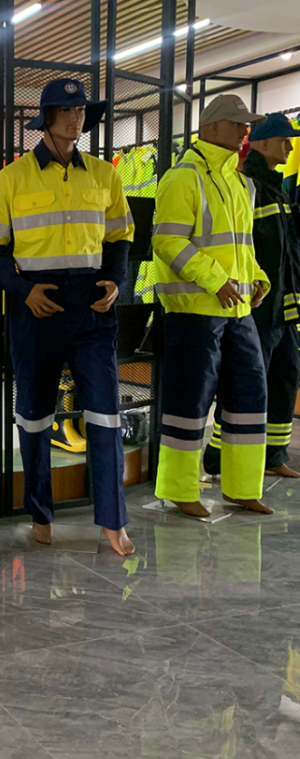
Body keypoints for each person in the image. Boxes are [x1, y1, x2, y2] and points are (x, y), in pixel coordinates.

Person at [0, 78, 136, 556]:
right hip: (37, 308)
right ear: (46, 118)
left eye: (81, 110)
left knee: (105, 413)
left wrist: (116, 280)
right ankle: (39, 512)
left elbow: (121, 237)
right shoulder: (13, 177)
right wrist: (23, 291)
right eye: (66, 110)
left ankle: (113, 520)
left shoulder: (105, 176)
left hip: (92, 306)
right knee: (34, 416)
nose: (75, 118)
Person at [153, 94, 273, 517]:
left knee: (249, 396)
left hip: (237, 311)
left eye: (246, 125)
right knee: (190, 402)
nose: (244, 131)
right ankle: (180, 489)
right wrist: (216, 280)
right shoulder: (182, 177)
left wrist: (258, 278)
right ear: (210, 128)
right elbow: (167, 241)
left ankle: (242, 487)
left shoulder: (242, 183)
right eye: (237, 124)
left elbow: (242, 246)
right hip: (194, 310)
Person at [203, 113, 300, 479]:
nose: (289, 147)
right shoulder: (247, 186)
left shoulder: (276, 188)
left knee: (285, 376)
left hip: (283, 306)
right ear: (261, 143)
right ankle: (219, 456)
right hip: (256, 306)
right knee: (245, 382)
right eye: (283, 140)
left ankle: (273, 455)